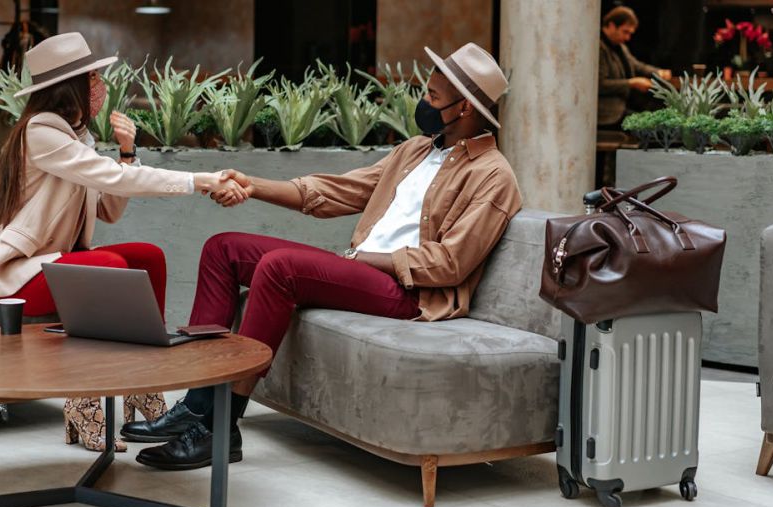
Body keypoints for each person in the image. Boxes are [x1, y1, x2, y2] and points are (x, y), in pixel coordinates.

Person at [121, 43, 523, 470]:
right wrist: (253, 184)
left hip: (410, 293)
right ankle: (199, 403)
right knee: (224, 249)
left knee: (280, 268)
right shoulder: (416, 151)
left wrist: (365, 260)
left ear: (463, 108)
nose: (424, 101)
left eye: (433, 98)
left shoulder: (494, 176)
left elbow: (449, 263)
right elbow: (334, 192)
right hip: (363, 268)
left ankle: (223, 427)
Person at [0, 32, 248, 453]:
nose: (100, 85)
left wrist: (128, 151)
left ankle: (142, 389)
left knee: (146, 258)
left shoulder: (77, 139)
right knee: (109, 270)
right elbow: (111, 179)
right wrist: (199, 180)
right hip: (16, 274)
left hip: (59, 262)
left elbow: (110, 209)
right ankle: (85, 402)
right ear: (71, 88)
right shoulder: (40, 133)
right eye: (92, 77)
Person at [599, 6, 672, 128]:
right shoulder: (598, 48)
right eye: (625, 32)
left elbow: (636, 65)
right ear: (611, 25)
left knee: (662, 115)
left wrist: (658, 72)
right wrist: (631, 83)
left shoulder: (620, 46)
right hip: (608, 112)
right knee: (654, 127)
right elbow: (600, 85)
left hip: (625, 105)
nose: (628, 38)